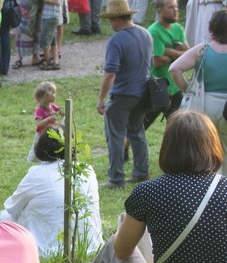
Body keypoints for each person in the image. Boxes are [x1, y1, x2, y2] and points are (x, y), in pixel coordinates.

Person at [48, 111, 227, 263]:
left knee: (115, 243)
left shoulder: (148, 192)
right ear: (213, 145)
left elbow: (121, 251)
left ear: (168, 147)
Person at [0, 127, 104, 257]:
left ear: (41, 148)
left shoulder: (37, 173)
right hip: (91, 245)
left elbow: (12, 208)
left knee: (4, 217)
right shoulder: (87, 170)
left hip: (47, 250)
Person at [96, 0, 152, 189]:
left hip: (122, 94)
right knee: (137, 133)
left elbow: (110, 73)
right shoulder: (145, 34)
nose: (110, 24)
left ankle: (116, 178)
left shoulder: (117, 39)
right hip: (142, 93)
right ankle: (141, 173)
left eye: (110, 20)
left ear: (115, 18)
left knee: (115, 136)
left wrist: (101, 98)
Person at [170, 10, 227, 174]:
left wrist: (186, 88)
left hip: (204, 104)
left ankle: (208, 184)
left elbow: (174, 69)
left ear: (211, 30)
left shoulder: (202, 50)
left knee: (205, 147)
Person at [143, 0, 189, 130]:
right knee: (141, 125)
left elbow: (188, 53)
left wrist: (168, 51)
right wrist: (178, 53)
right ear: (159, 10)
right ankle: (123, 148)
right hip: (157, 86)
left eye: (176, 7)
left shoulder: (178, 28)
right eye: (170, 7)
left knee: (179, 127)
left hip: (174, 87)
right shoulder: (153, 31)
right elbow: (157, 61)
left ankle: (174, 150)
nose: (175, 10)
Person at [26, 81, 62, 161]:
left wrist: (62, 112)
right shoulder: (39, 110)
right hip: (42, 135)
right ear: (46, 96)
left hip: (50, 134)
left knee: (49, 150)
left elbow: (60, 111)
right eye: (54, 93)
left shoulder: (52, 106)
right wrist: (49, 118)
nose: (55, 95)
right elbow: (39, 124)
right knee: (41, 150)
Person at [12, 0, 40, 68]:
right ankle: (19, 57)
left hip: (37, 6)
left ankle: (35, 56)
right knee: (21, 29)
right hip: (24, 6)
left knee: (36, 30)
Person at [37, 0, 61, 71]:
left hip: (51, 16)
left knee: (45, 40)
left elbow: (57, 2)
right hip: (47, 16)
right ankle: (56, 62)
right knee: (53, 40)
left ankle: (47, 61)